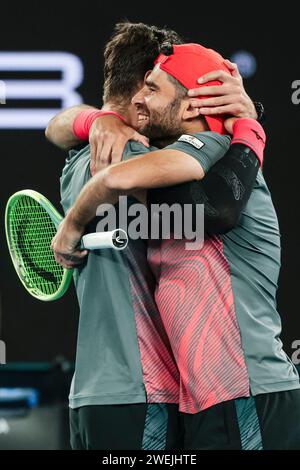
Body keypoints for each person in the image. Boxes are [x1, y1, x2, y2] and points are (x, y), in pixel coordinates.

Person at [51, 41, 300, 450]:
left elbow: (211, 208)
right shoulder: (148, 161)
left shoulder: (217, 157)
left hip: (247, 391)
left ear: (189, 107)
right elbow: (61, 128)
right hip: (193, 402)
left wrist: (73, 223)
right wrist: (98, 120)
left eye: (153, 89)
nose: (141, 99)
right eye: (142, 88)